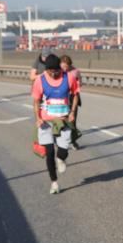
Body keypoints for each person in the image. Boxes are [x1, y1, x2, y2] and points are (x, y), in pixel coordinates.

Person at [31, 54, 80, 194]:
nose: (53, 74)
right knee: (49, 152)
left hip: (63, 120)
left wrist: (72, 112)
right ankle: (54, 182)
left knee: (63, 151)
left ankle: (61, 159)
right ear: (46, 70)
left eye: (55, 71)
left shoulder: (69, 77)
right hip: (46, 121)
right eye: (50, 71)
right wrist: (38, 118)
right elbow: (36, 101)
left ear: (59, 68)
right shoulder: (40, 80)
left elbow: (75, 94)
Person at [60, 55, 83, 150]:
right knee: (60, 120)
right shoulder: (57, 71)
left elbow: (80, 83)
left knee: (72, 120)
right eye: (63, 66)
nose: (64, 69)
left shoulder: (75, 72)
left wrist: (75, 85)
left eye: (66, 67)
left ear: (70, 65)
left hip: (72, 97)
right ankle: (60, 140)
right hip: (60, 98)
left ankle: (73, 141)